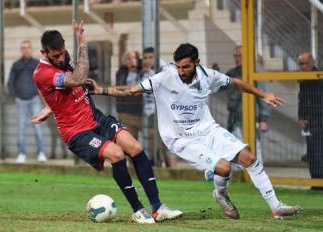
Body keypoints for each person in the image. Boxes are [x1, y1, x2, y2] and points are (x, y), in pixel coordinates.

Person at [87, 43, 301, 220]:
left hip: (208, 130)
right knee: (225, 169)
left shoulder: (208, 76)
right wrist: (102, 90)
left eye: (186, 67)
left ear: (197, 63)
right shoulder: (165, 77)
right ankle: (221, 195)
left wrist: (263, 94)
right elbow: (132, 90)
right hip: (180, 139)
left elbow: (235, 82)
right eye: (179, 67)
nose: (181, 72)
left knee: (249, 158)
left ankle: (275, 206)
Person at [31, 20, 182, 223]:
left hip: (96, 118)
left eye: (62, 53)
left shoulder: (63, 56)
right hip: (77, 133)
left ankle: (157, 208)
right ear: (44, 52)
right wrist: (82, 42)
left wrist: (51, 107)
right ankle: (138, 210)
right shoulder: (42, 73)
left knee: (135, 147)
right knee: (117, 155)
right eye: (55, 55)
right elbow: (77, 79)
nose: (60, 58)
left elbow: (67, 89)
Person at [225, 46, 271, 167]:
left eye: (240, 56)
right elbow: (220, 86)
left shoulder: (253, 74)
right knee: (235, 151)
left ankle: (258, 177)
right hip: (234, 119)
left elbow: (263, 97)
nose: (237, 58)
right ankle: (240, 178)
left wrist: (263, 119)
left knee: (254, 151)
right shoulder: (232, 73)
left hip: (250, 120)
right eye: (236, 56)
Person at [7, 40, 47, 164]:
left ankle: (41, 153)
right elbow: (10, 83)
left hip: (34, 99)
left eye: (28, 47)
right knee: (21, 128)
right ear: (21, 50)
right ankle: (21, 154)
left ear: (31, 49)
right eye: (23, 48)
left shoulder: (37, 64)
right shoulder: (16, 65)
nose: (26, 50)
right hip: (21, 101)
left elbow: (43, 81)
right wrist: (15, 96)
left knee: (38, 128)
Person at [141, 47, 177, 168]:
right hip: (149, 111)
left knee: (166, 141)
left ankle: (172, 170)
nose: (147, 60)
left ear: (156, 58)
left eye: (150, 57)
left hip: (163, 110)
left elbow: (160, 84)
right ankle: (158, 163)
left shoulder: (164, 69)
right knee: (152, 137)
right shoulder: (144, 71)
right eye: (145, 58)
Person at [298, 52, 323, 191]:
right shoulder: (303, 78)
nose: (303, 66)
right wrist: (301, 117)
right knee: (312, 153)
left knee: (319, 153)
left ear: (312, 62)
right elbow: (301, 100)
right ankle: (315, 183)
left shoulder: (319, 77)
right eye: (301, 64)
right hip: (309, 122)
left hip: (320, 120)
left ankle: (320, 184)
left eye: (305, 63)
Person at [116, 50, 143, 140]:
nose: (131, 61)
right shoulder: (121, 73)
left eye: (134, 58)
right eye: (128, 59)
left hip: (142, 113)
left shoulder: (143, 71)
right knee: (131, 142)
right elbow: (118, 92)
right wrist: (120, 111)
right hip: (127, 114)